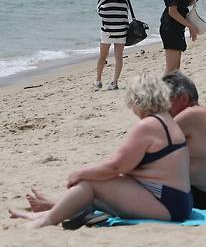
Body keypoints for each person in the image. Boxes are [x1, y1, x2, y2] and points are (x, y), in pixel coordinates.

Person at [10, 74, 193, 228]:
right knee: (93, 186)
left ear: (138, 99)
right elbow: (128, 164)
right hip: (178, 201)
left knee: (89, 183)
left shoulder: (148, 125)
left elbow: (116, 167)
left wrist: (79, 173)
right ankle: (49, 213)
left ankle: (45, 220)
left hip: (168, 205)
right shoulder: (166, 120)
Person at [163, 72, 206, 210]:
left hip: (195, 197)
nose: (164, 109)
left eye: (166, 101)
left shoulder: (189, 116)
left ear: (184, 98)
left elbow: (151, 144)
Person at [95, 0, 129, 91]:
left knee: (102, 56)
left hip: (108, 30)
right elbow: (125, 12)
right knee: (119, 58)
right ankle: (114, 83)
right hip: (122, 30)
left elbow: (99, 10)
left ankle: (98, 81)